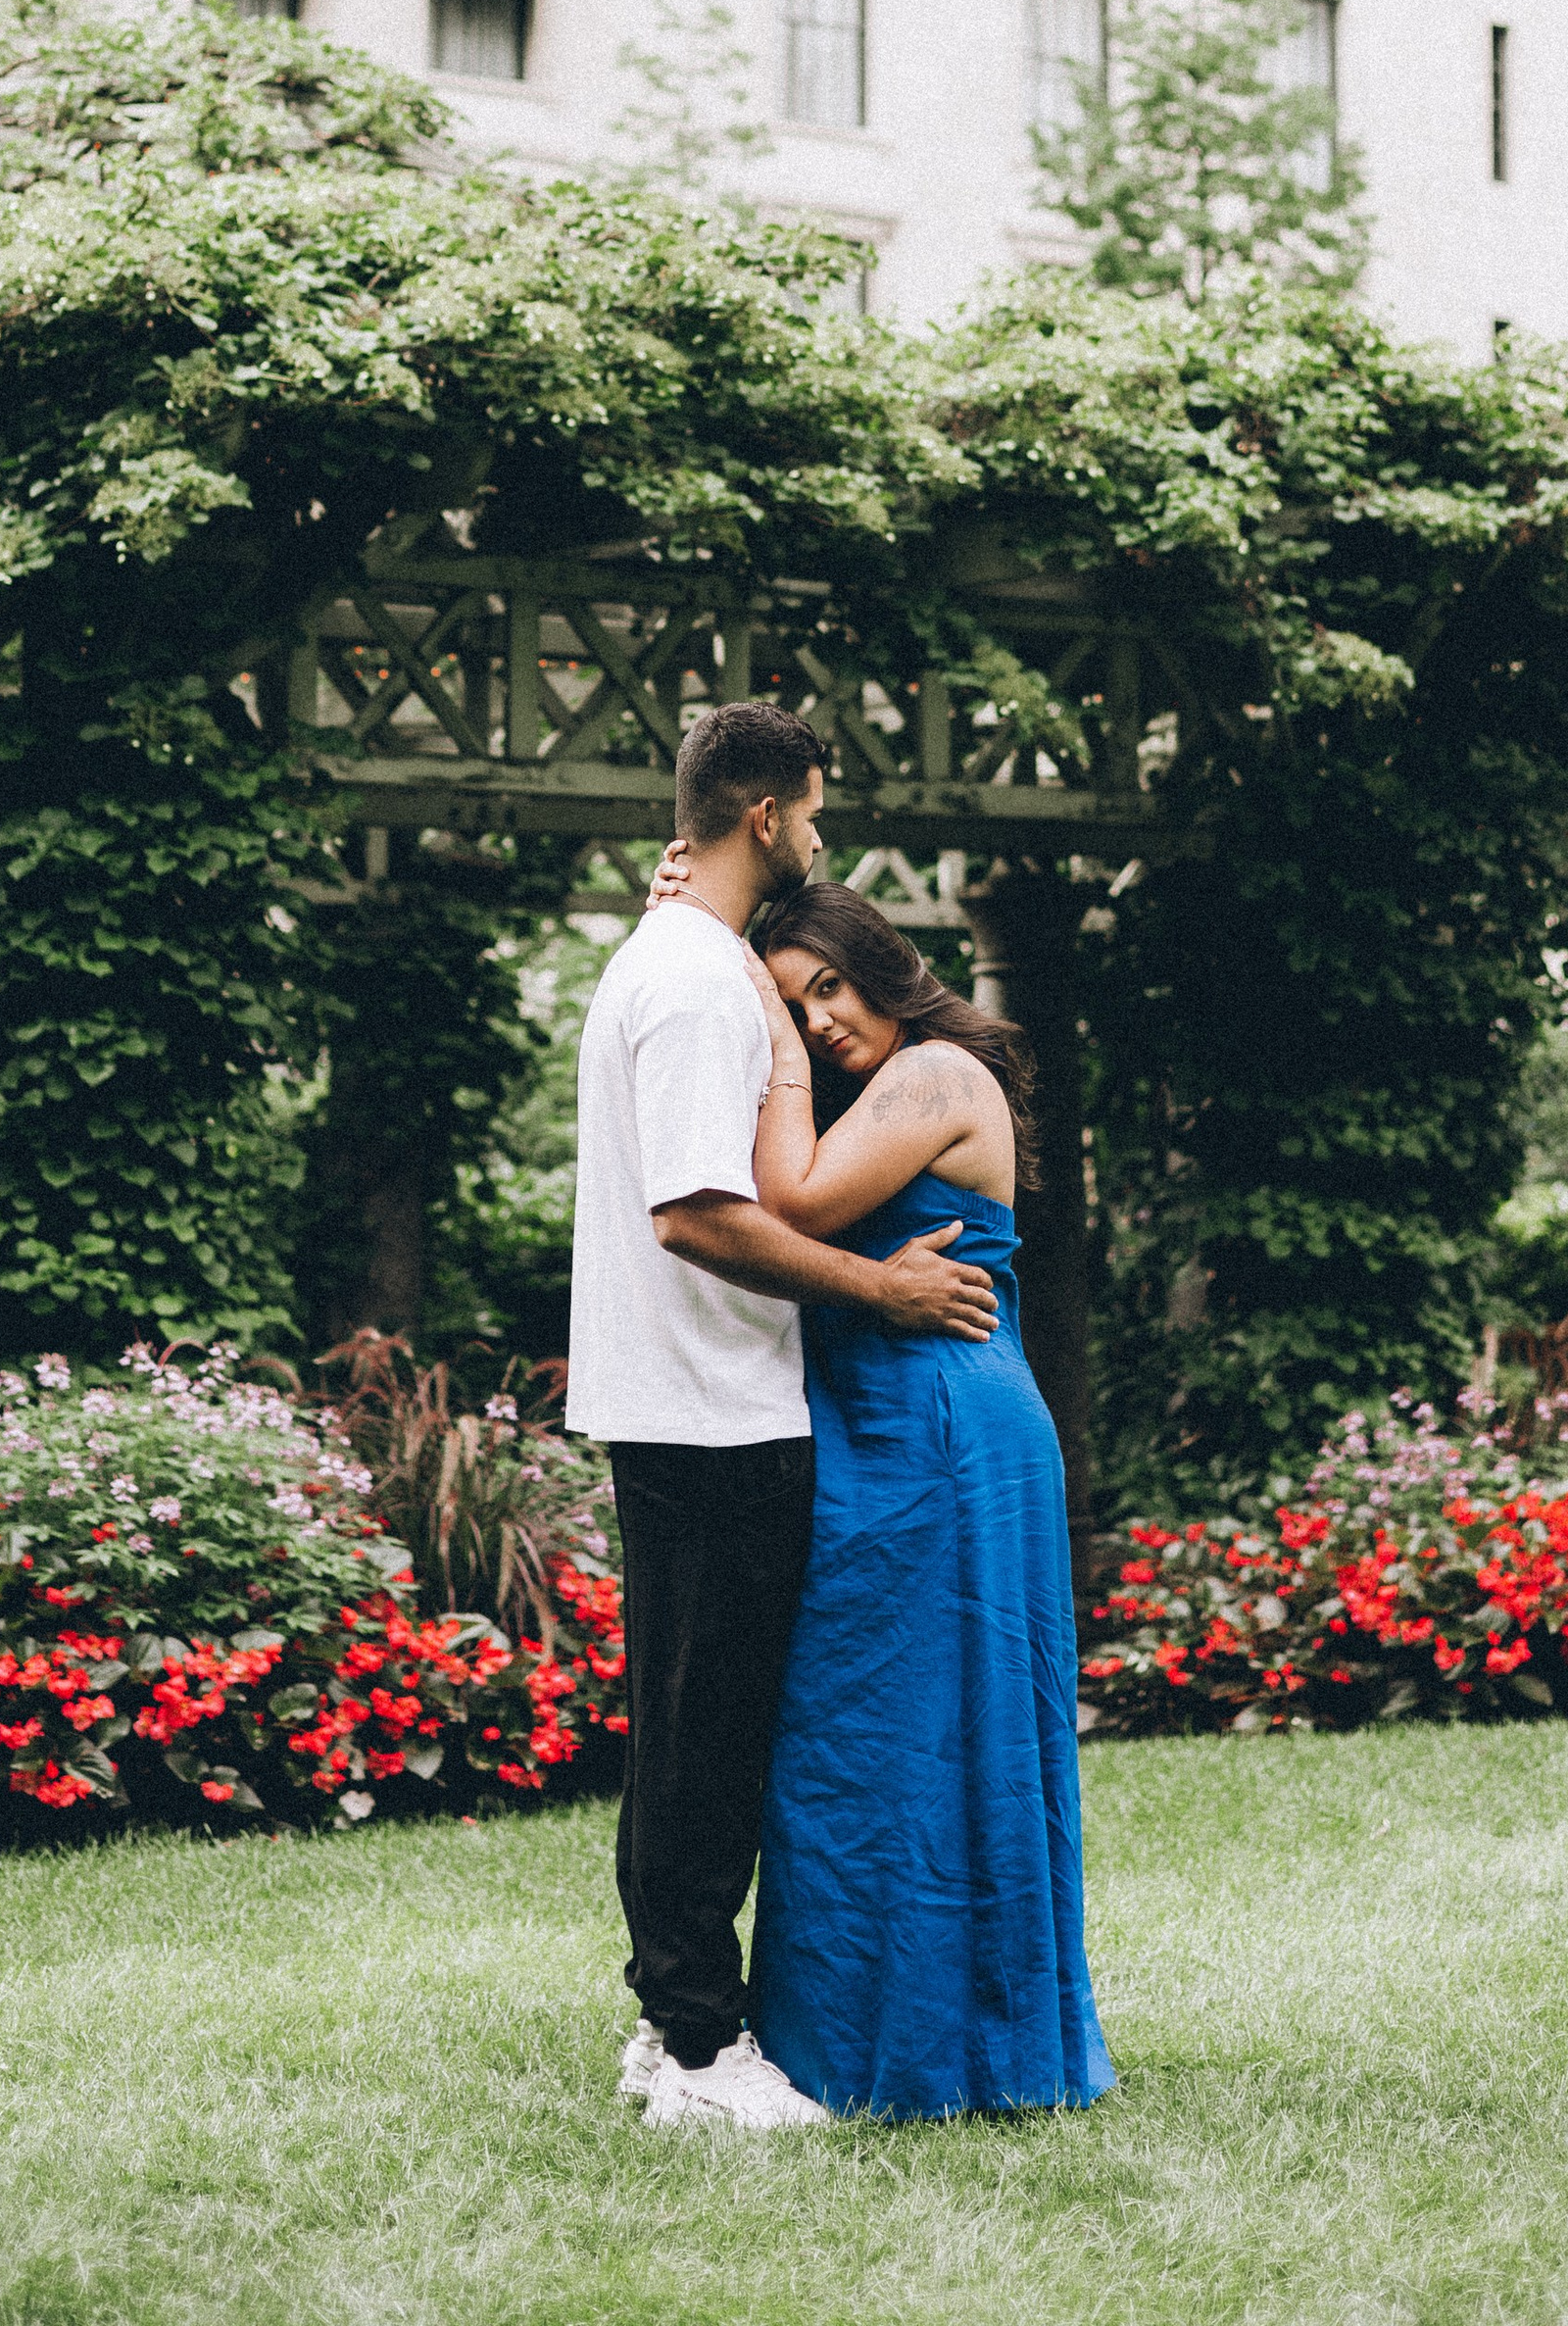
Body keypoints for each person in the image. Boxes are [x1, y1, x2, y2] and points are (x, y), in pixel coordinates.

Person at [564, 699, 1000, 2133]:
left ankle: (669, 2021)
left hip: (677, 1400)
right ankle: (701, 2053)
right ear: (765, 815)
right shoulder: (697, 980)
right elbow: (698, 1214)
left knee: (682, 1732)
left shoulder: (675, 956)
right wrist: (879, 1289)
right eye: (811, 812)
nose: (819, 836)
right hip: (712, 1408)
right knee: (709, 1742)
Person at [738, 879, 1115, 2123]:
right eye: (795, 1006)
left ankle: (974, 2050)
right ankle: (856, 2041)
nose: (818, 1020)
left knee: (951, 1730)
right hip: (875, 1430)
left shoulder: (937, 1074)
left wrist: (762, 1026)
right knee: (860, 1729)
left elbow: (790, 1206)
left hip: (945, 1429)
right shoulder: (872, 1092)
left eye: (827, 988)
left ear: (883, 966)